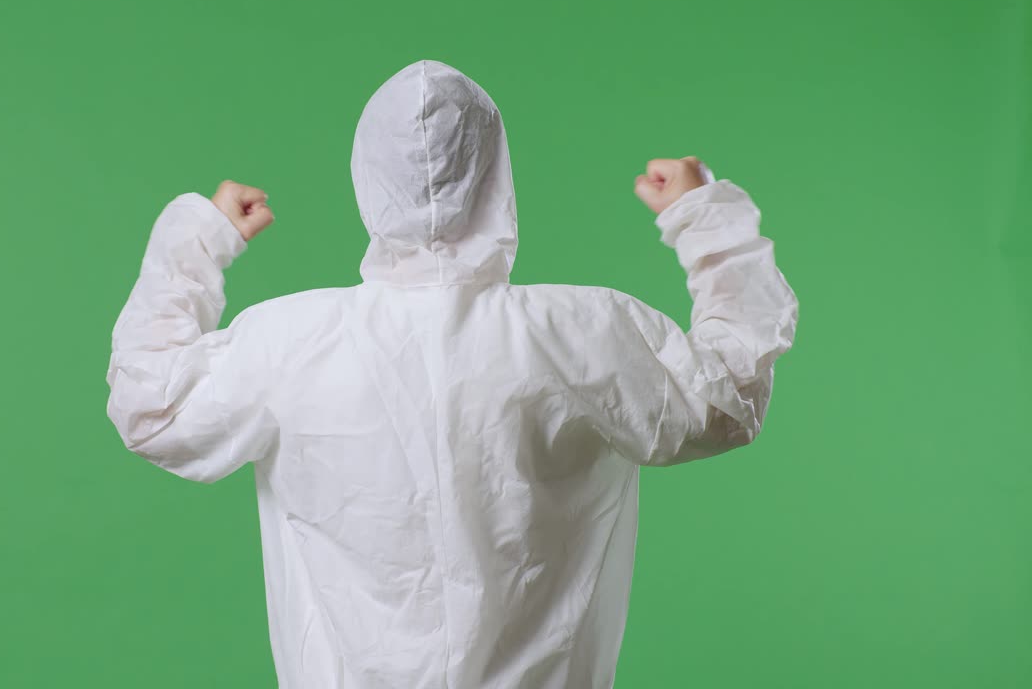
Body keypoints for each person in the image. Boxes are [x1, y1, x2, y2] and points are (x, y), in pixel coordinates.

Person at [105, 59, 799, 688]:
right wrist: (703, 217)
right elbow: (729, 397)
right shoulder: (584, 333)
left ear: (367, 179)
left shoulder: (288, 343)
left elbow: (151, 409)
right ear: (496, 175)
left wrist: (200, 241)